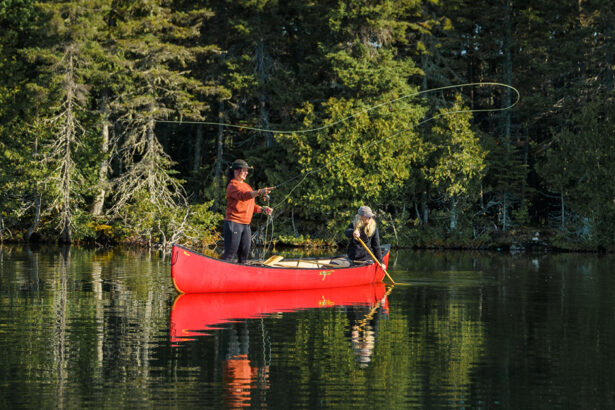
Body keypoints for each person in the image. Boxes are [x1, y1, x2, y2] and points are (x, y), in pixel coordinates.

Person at [222, 159, 274, 263]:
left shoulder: (247, 186)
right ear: (236, 171)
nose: (247, 173)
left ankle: (240, 277)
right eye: (244, 170)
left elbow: (250, 204)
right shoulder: (232, 185)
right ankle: (221, 275)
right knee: (229, 254)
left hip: (246, 225)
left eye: (247, 171)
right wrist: (259, 192)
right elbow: (243, 196)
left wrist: (262, 209)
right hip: (234, 223)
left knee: (244, 256)